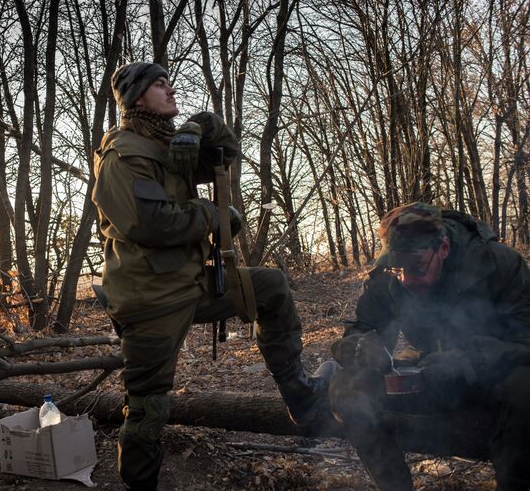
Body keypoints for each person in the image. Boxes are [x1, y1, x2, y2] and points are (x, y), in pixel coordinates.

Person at [92, 61, 336, 490]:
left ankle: (304, 401)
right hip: (151, 298)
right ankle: (139, 483)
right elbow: (150, 224)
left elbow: (226, 152)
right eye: (160, 85)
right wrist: (213, 214)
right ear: (136, 98)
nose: (170, 90)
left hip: (191, 283)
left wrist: (198, 125)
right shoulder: (123, 153)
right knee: (148, 405)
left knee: (271, 287)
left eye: (169, 82)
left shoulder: (169, 145)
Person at [329, 202, 530, 490]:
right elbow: (359, 328)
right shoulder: (388, 276)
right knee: (348, 387)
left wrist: (469, 360)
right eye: (399, 270)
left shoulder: (497, 264)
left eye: (417, 268)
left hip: (495, 375)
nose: (407, 280)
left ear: (444, 248)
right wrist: (360, 346)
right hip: (431, 373)